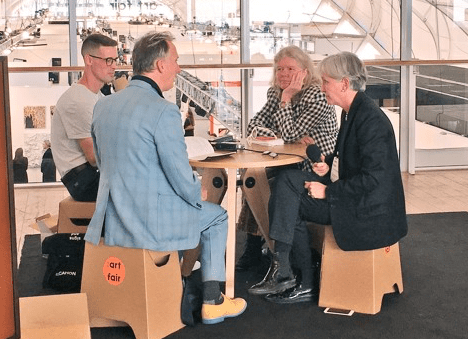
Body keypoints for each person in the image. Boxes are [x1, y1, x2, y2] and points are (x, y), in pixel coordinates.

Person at [85, 31, 246, 325]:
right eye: (176, 61)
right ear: (160, 65)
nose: (179, 68)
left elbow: (100, 160)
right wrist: (196, 192)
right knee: (217, 216)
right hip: (151, 223)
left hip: (114, 218)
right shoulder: (164, 112)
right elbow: (178, 172)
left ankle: (184, 282)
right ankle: (212, 301)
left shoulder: (103, 106)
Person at [248, 51, 408, 304]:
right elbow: (349, 159)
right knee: (287, 181)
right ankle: (284, 269)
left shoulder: (371, 121)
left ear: (344, 83)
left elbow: (375, 179)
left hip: (367, 209)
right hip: (353, 194)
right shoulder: (352, 111)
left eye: (326, 82)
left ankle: (303, 279)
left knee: (292, 202)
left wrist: (328, 192)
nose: (321, 87)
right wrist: (326, 166)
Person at [236, 45, 338, 272]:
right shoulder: (275, 91)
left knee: (267, 185)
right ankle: (254, 246)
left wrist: (286, 100)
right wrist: (285, 130)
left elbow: (289, 134)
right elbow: (254, 126)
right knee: (251, 179)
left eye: (290, 68)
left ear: (304, 72)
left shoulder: (317, 95)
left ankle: (277, 253)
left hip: (316, 165)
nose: (283, 74)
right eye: (279, 68)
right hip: (287, 158)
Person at [51, 33, 118, 202]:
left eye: (115, 60)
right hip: (82, 179)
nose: (114, 66)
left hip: (91, 173)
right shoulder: (78, 100)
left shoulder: (96, 97)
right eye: (108, 60)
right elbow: (94, 157)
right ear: (89, 60)